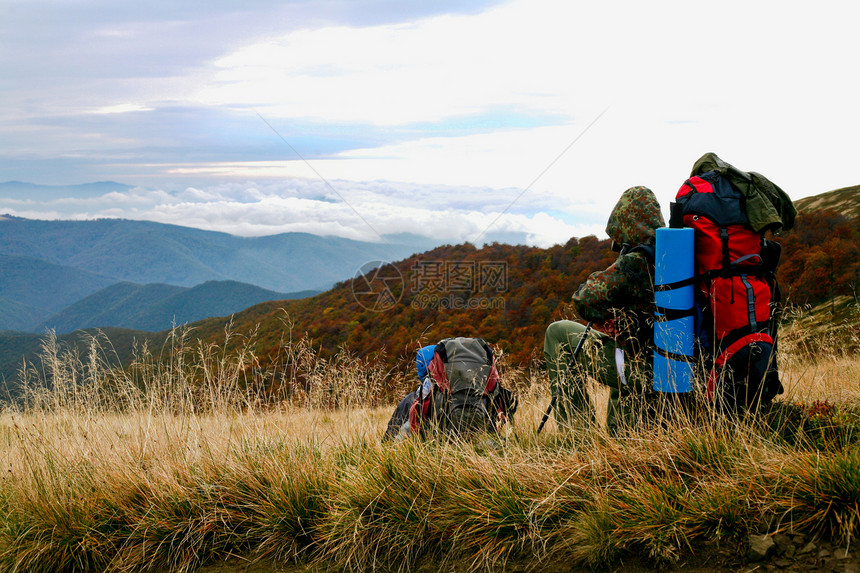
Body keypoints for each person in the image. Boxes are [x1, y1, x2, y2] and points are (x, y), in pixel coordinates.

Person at [543, 185, 664, 433]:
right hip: (676, 370)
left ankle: (577, 436)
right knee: (623, 345)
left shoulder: (636, 261)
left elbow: (585, 299)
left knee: (558, 333)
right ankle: (620, 427)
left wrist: (602, 316)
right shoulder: (677, 257)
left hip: (641, 374)